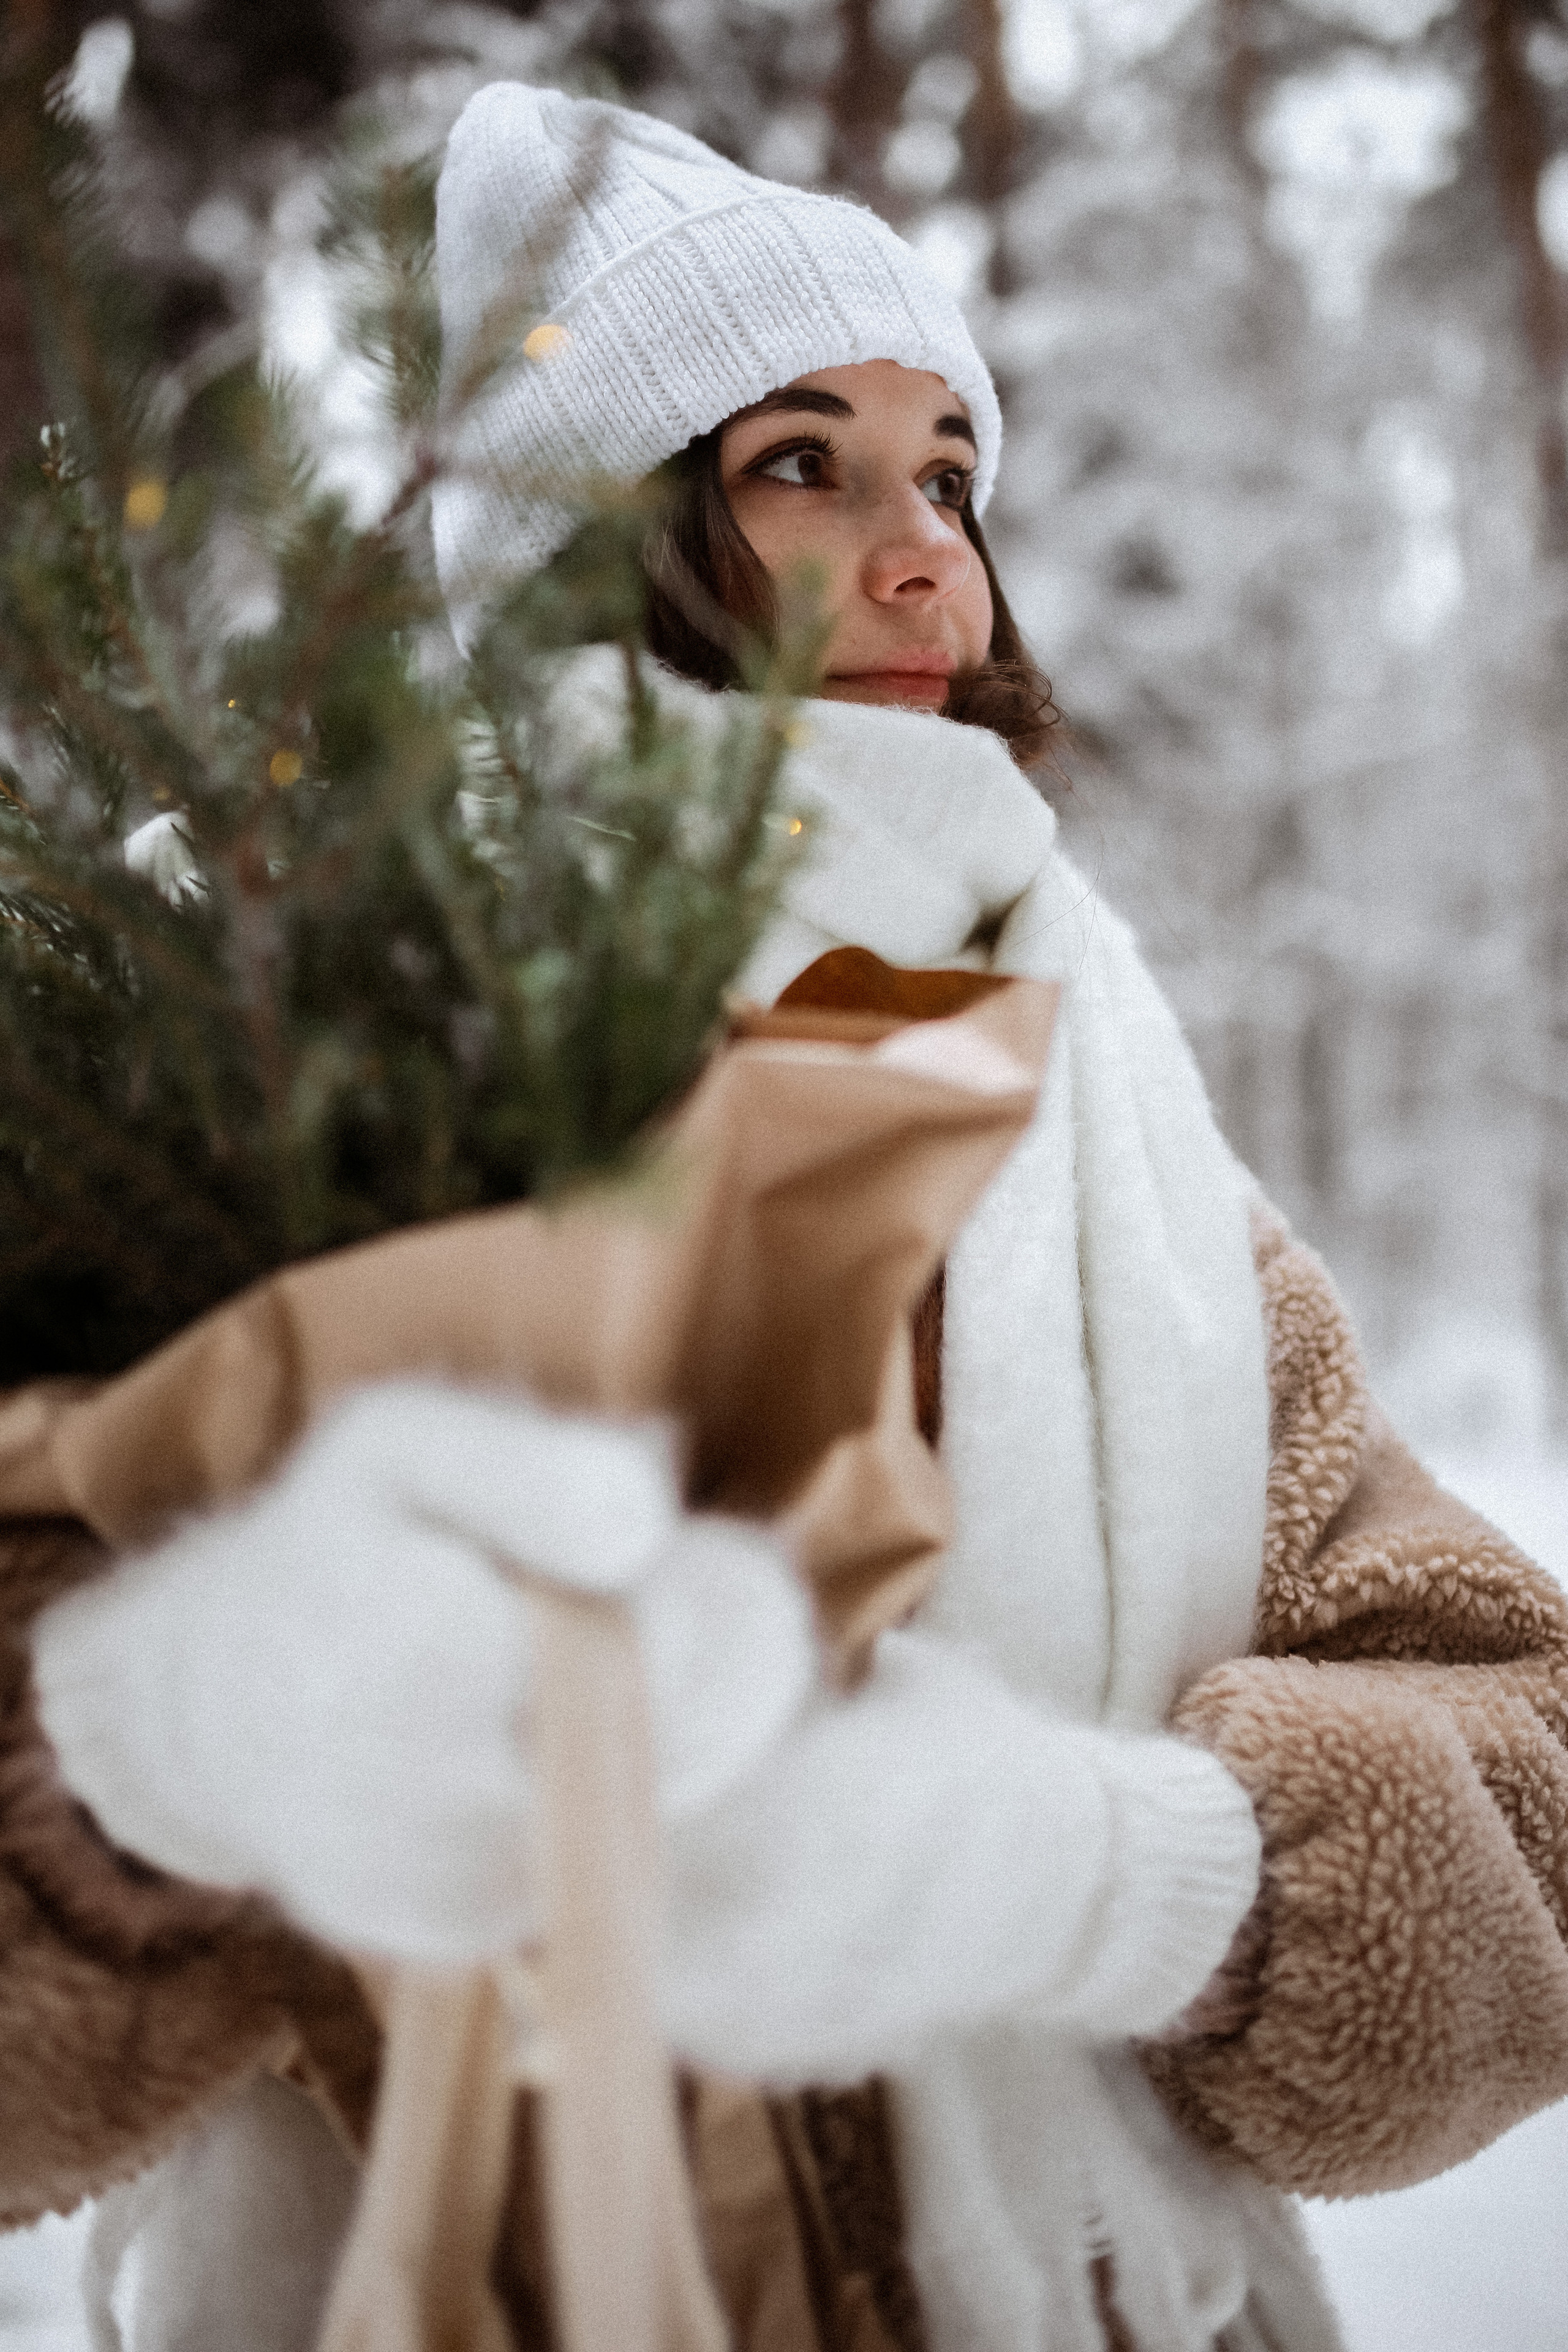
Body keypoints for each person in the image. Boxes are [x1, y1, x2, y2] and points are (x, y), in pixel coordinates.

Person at [9, 79, 1568, 2352]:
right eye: (802, 465)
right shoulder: (293, 1076)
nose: (933, 549)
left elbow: (1534, 1766)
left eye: (949, 471)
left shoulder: (1103, 1126)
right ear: (598, 535)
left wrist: (1129, 1876)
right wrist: (171, 1761)